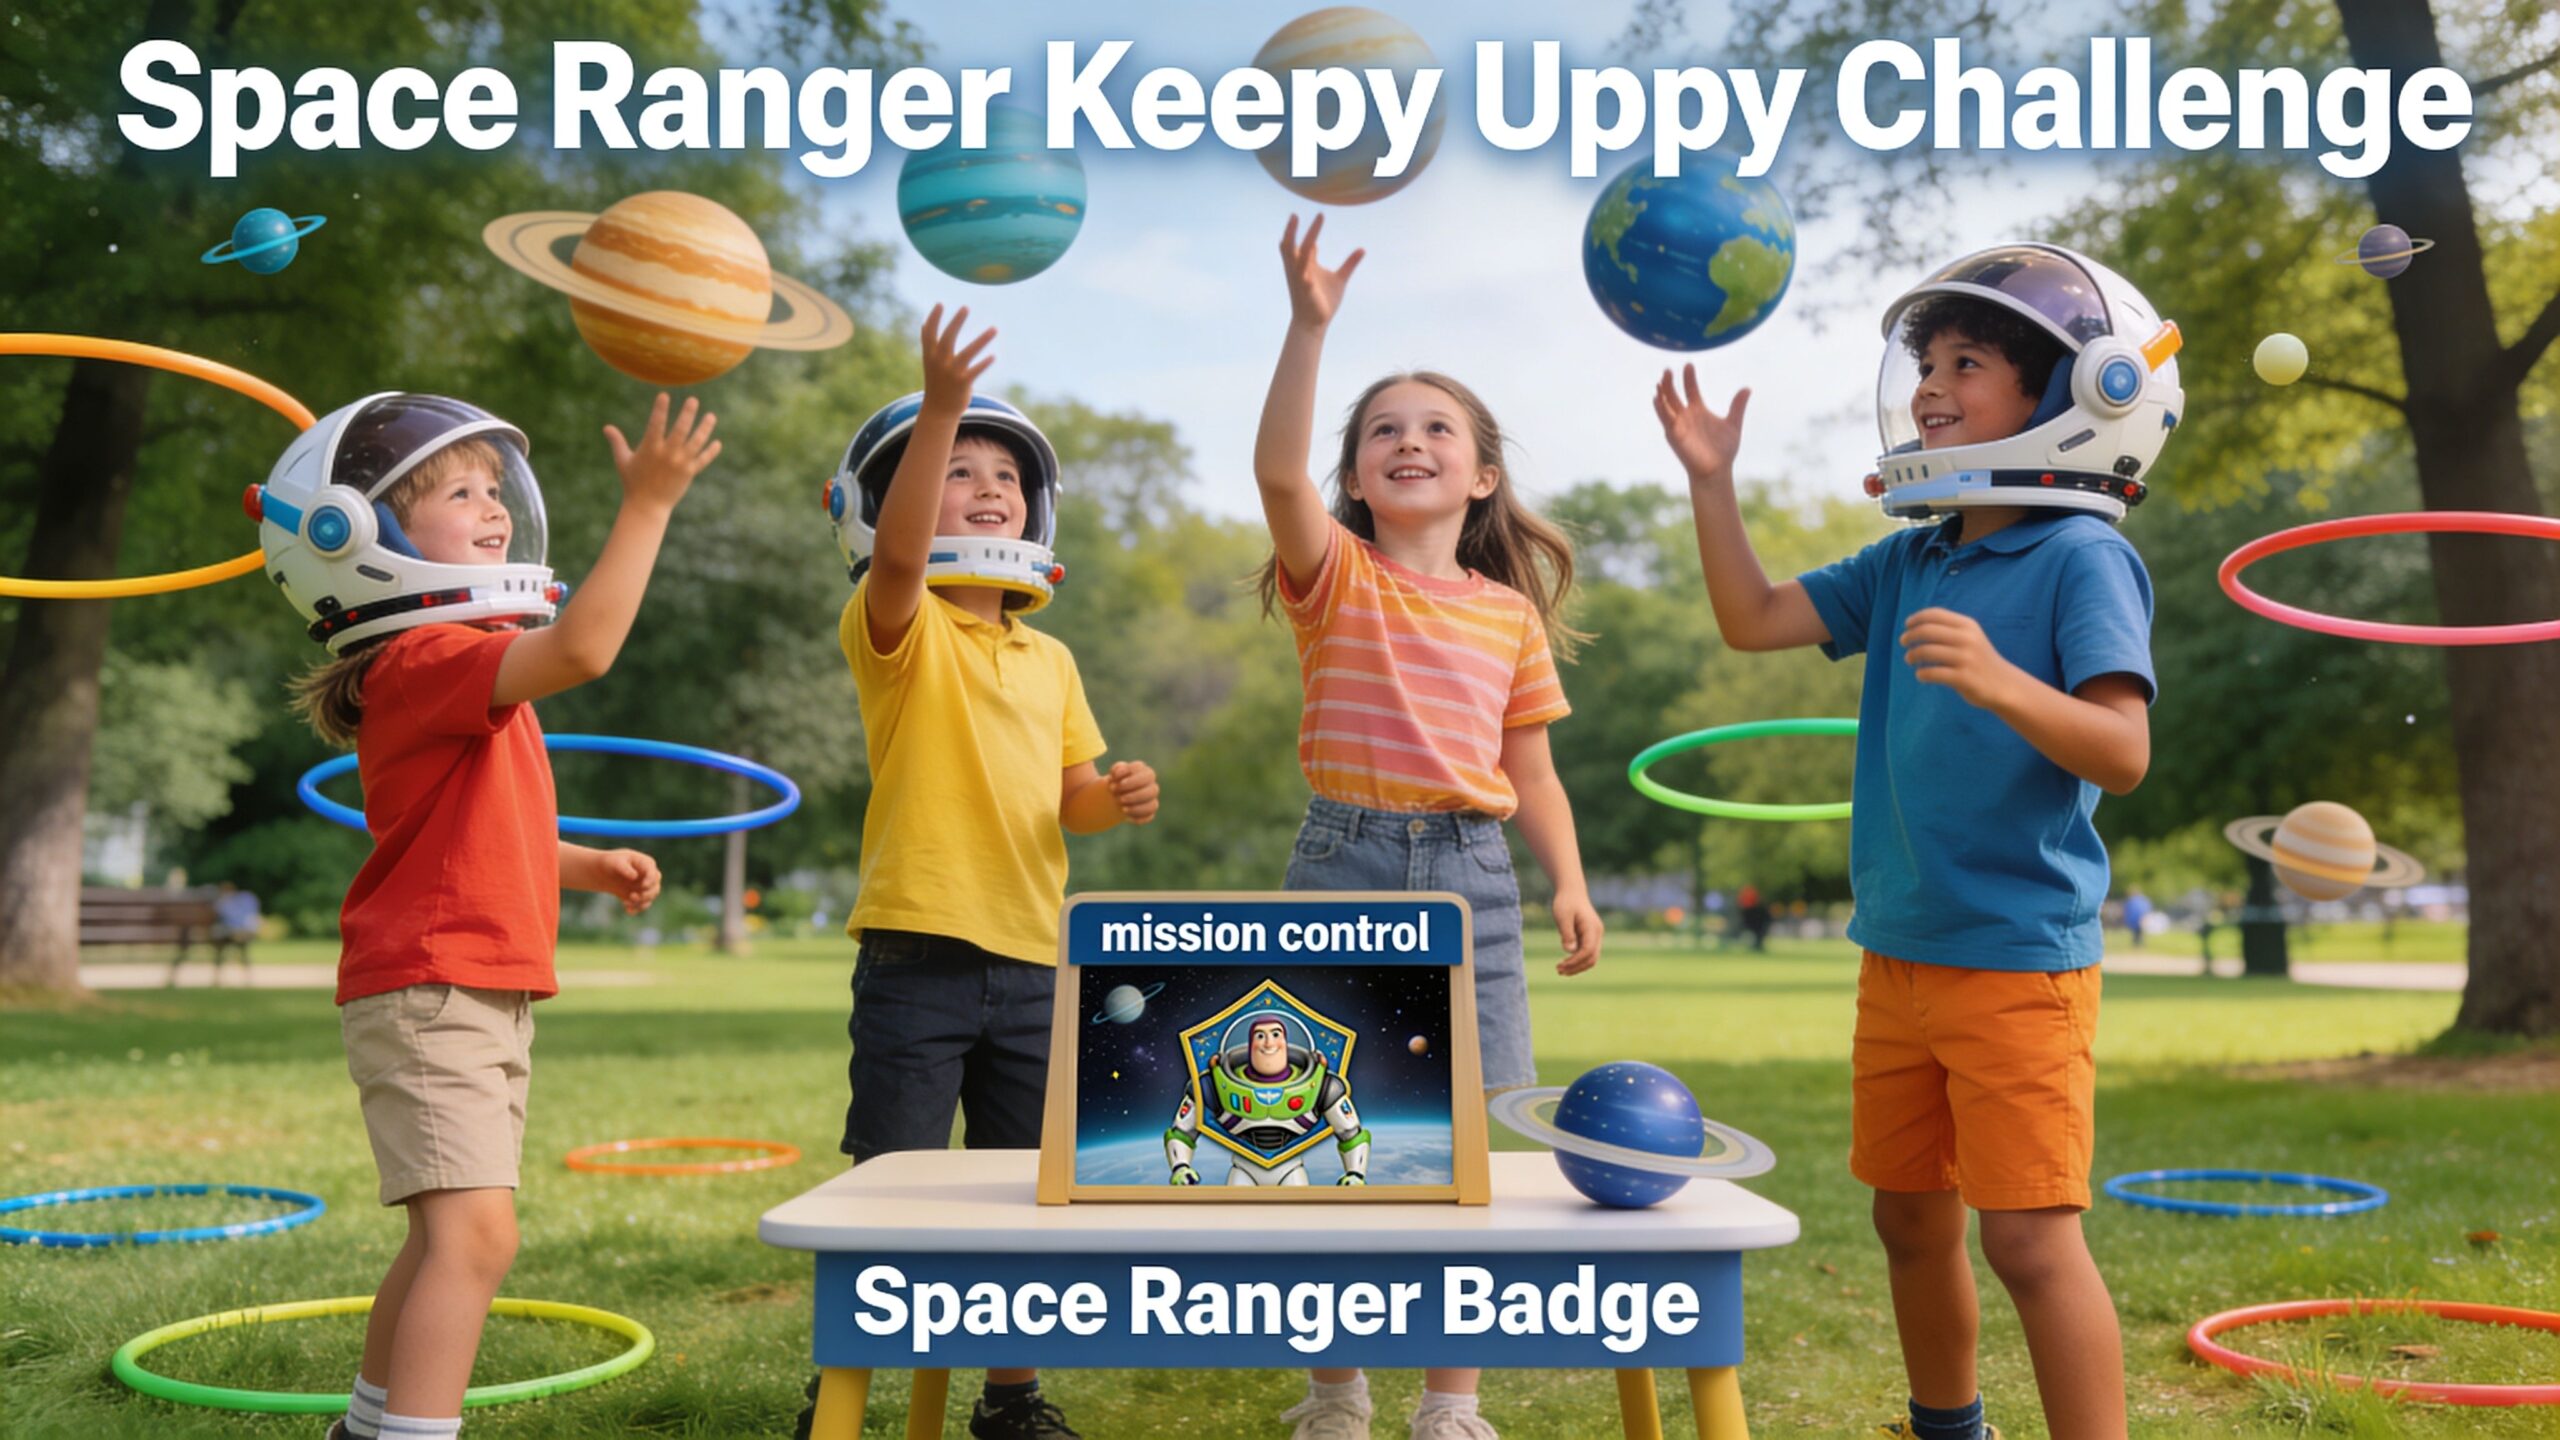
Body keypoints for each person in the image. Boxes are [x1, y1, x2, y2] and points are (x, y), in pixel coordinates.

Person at [1654, 242, 2183, 1440]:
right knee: (1907, 1218)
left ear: (2066, 397)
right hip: (1897, 951)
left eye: (1969, 363)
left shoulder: (2081, 556)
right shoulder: (1913, 554)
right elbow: (1750, 621)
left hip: (2016, 962)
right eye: (1927, 361)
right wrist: (1709, 482)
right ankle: (1950, 1428)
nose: (1933, 385)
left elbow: (2122, 752)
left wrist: (2001, 681)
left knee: (2030, 1240)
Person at [258, 391, 712, 1440]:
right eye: (459, 493)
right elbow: (587, 647)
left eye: (493, 488)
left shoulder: (458, 676)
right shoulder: (425, 664)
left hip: (473, 987)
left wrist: (586, 866)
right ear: (358, 540)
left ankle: (367, 1430)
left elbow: (480, 837)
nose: (494, 507)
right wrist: (646, 506)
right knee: (474, 1240)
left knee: (443, 1242)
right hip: (431, 990)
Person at [1253, 215, 1603, 1440]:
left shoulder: (1506, 615)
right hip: (1341, 859)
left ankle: (1448, 1401)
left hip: (1474, 880)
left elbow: (1534, 770)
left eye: (1435, 427)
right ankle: (1334, 1385)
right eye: (1382, 431)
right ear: (1356, 476)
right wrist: (1308, 328)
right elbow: (1277, 476)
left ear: (1482, 474)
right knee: (1321, 1133)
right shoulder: (1334, 574)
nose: (1408, 442)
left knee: (1481, 1147)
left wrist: (1566, 879)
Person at [812, 305, 1160, 1440]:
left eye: (1003, 474)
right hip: (917, 955)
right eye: (958, 471)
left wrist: (1114, 799)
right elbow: (908, 554)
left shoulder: (1050, 656)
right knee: (893, 1185)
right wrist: (942, 406)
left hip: (1033, 959)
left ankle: (1011, 1397)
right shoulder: (896, 626)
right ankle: (846, 1387)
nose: (987, 486)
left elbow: (1072, 794)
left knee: (1025, 1193)